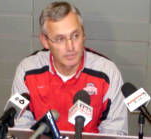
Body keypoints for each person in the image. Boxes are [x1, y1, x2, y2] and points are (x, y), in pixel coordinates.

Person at [11, 1, 128, 135]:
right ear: (45, 41)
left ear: (84, 34)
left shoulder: (107, 73)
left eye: (75, 36)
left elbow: (114, 133)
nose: (70, 47)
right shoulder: (28, 70)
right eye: (60, 39)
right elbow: (20, 129)